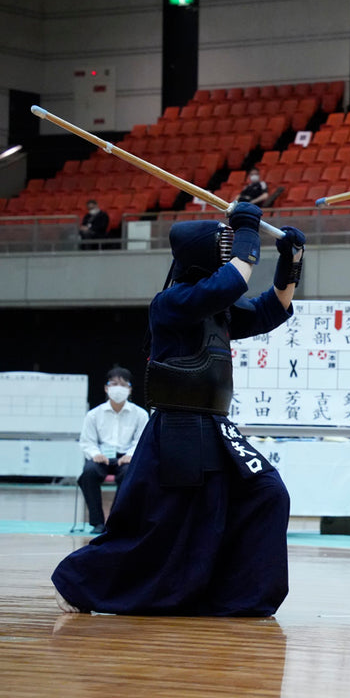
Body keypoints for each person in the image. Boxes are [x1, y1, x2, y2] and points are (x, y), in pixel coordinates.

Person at [52, 202, 305, 616]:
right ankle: (77, 583)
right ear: (203, 254)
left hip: (215, 425)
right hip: (178, 427)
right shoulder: (171, 303)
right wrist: (247, 232)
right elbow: (231, 282)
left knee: (267, 494)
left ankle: (241, 595)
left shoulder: (217, 308)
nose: (229, 254)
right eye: (223, 247)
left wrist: (290, 262)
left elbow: (271, 310)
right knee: (161, 526)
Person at [76, 366, 149, 533]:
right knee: (88, 473)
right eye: (114, 384)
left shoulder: (140, 414)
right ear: (106, 388)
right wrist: (95, 454)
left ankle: (115, 522)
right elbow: (87, 441)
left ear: (130, 389)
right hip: (102, 457)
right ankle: (97, 522)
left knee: (129, 474)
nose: (118, 388)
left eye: (123, 385)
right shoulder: (94, 415)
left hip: (127, 458)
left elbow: (141, 441)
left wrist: (131, 455)